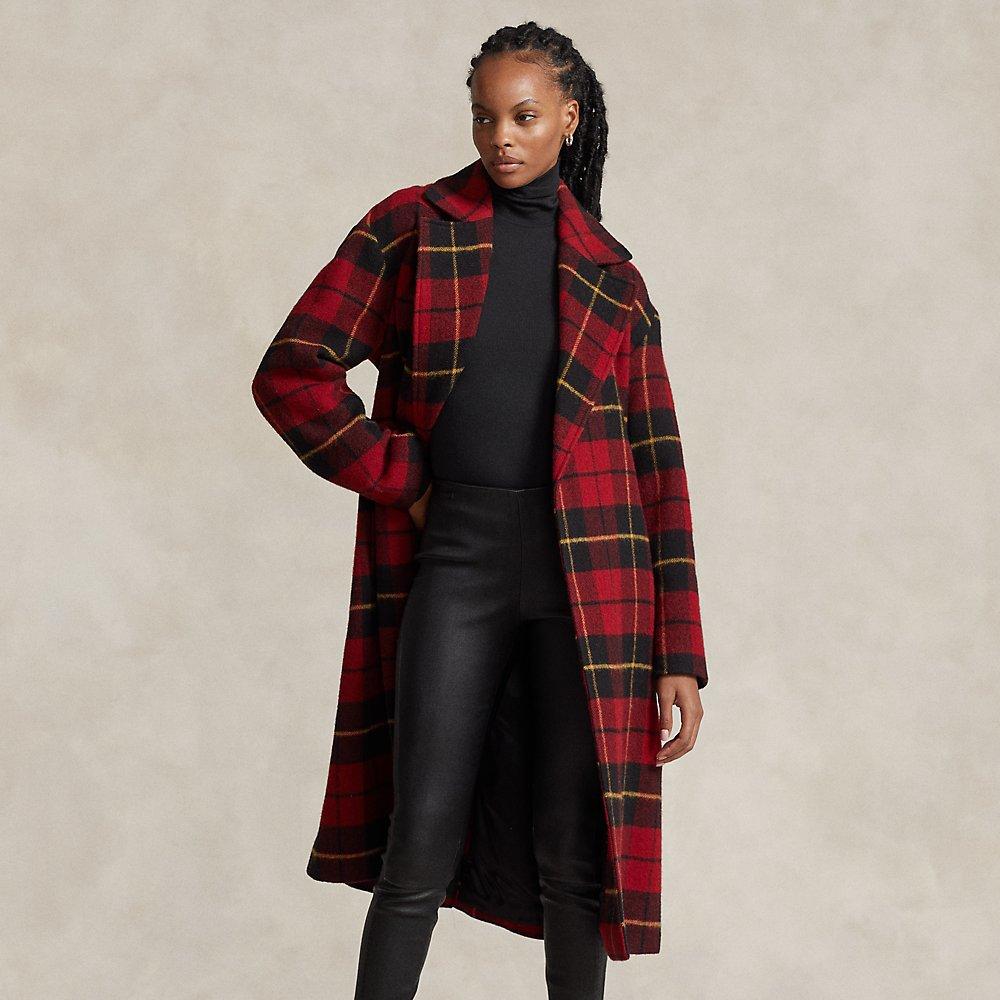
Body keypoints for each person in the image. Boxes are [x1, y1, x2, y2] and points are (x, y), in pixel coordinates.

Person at [251, 20, 707, 1000]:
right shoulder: (412, 227)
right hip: (456, 556)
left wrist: (679, 651)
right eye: (485, 116)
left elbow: (660, 470)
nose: (501, 137)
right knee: (415, 841)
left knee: (573, 854)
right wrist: (400, 477)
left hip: (593, 581)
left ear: (568, 118)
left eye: (524, 116)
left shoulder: (615, 282)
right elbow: (293, 371)